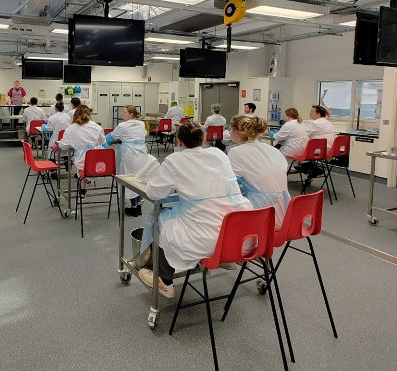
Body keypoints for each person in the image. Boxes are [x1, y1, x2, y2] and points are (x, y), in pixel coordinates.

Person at [139, 121, 252, 298]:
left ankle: (164, 279)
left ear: (179, 141)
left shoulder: (175, 160)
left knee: (159, 216)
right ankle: (221, 258)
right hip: (239, 235)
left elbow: (154, 193)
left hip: (204, 238)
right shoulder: (219, 154)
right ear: (204, 139)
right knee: (199, 214)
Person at [228, 114, 290, 229]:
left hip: (260, 220)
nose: (229, 132)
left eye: (231, 129)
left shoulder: (237, 152)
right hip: (284, 216)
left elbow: (229, 184)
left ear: (238, 132)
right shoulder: (274, 151)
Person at [104, 105, 148, 217]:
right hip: (142, 152)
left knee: (129, 179)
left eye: (124, 112)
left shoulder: (123, 126)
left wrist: (101, 141)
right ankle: (138, 206)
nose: (122, 114)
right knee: (139, 177)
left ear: (131, 114)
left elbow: (111, 137)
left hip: (129, 153)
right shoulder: (141, 123)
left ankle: (134, 208)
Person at [59, 105, 105, 193]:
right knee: (87, 162)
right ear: (89, 114)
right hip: (100, 163)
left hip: (82, 162)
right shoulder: (97, 127)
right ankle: (85, 184)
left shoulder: (71, 128)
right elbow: (102, 141)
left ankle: (83, 185)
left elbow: (63, 146)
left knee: (81, 162)